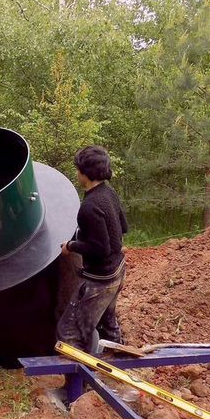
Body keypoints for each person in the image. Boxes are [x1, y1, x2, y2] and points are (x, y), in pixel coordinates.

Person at [58, 145, 128, 353]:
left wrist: (71, 246)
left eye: (78, 169)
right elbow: (122, 228)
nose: (77, 173)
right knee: (107, 322)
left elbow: (100, 249)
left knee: (70, 332)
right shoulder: (108, 192)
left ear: (85, 173)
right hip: (118, 270)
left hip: (101, 280)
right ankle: (117, 365)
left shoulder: (89, 206)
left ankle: (76, 385)